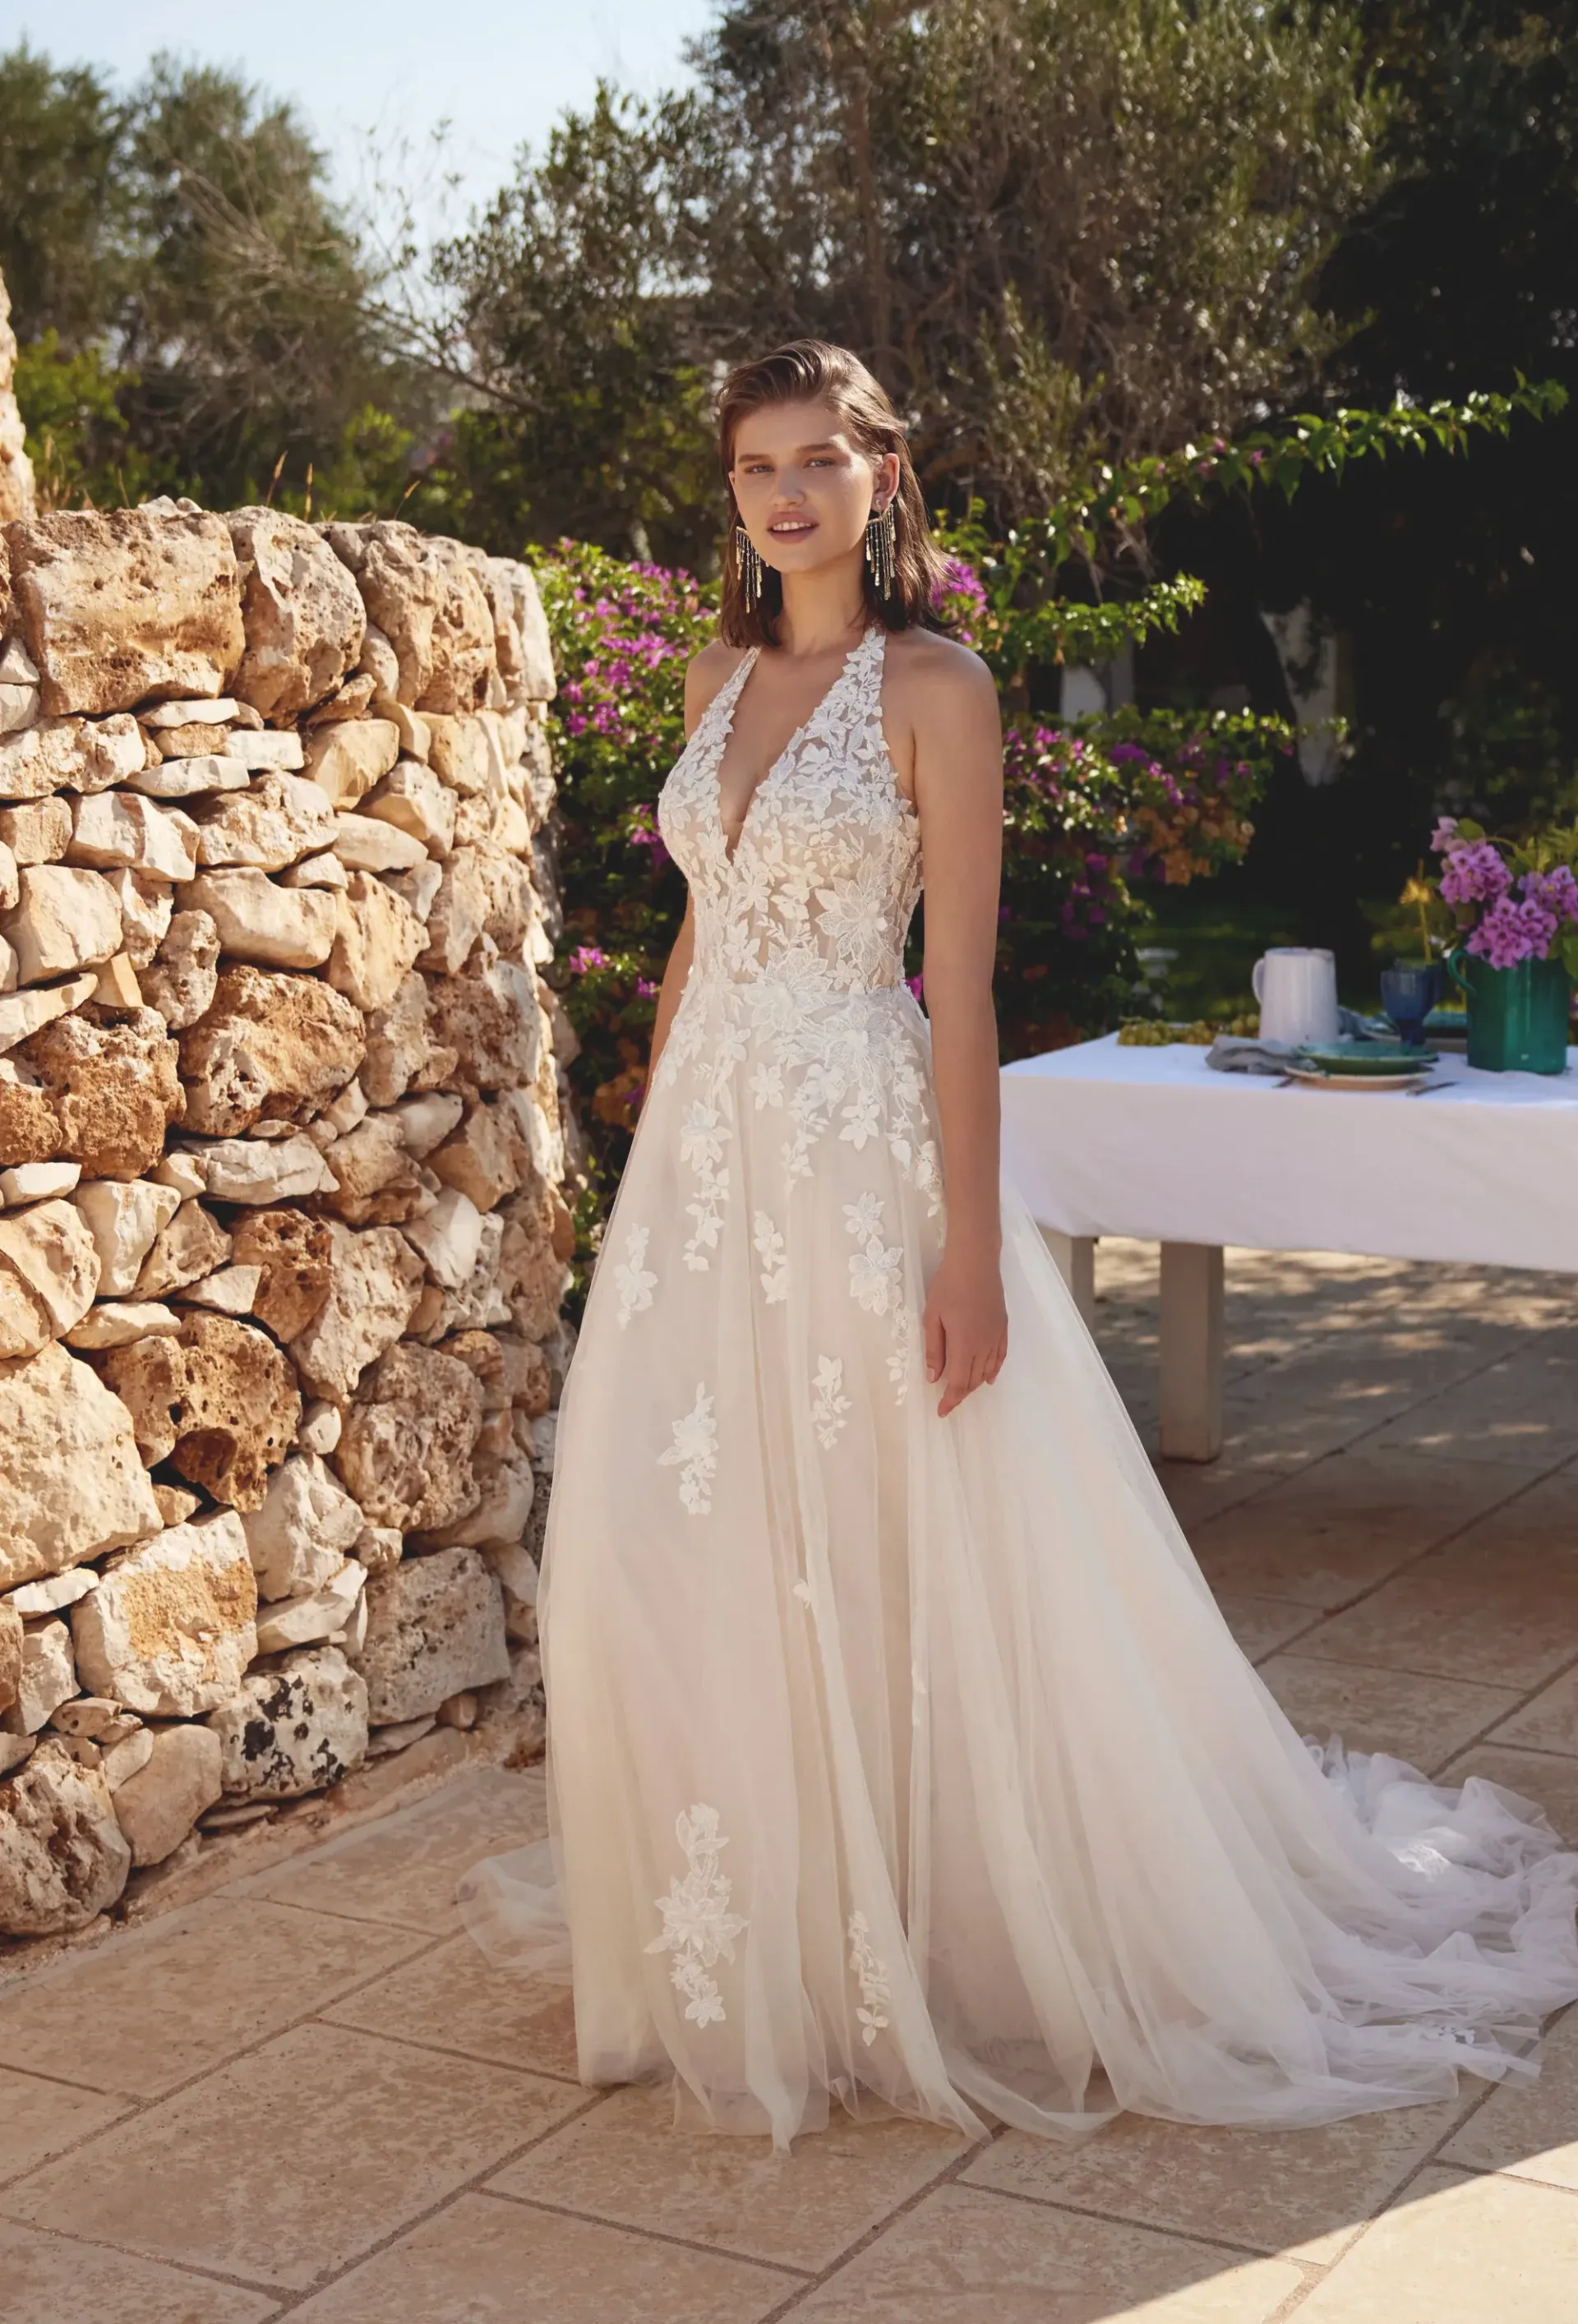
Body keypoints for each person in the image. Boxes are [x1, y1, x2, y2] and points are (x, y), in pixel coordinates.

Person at [460, 338, 1578, 2151]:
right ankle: (769, 1927)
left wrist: (975, 1258)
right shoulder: (709, 668)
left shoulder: (938, 685)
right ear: (732, 493)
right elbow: (702, 928)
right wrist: (653, 1139)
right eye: (759, 465)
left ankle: (939, 1924)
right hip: (707, 1169)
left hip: (857, 1145)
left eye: (823, 456)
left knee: (894, 1527)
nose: (791, 491)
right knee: (688, 1534)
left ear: (884, 476)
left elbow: (958, 997)